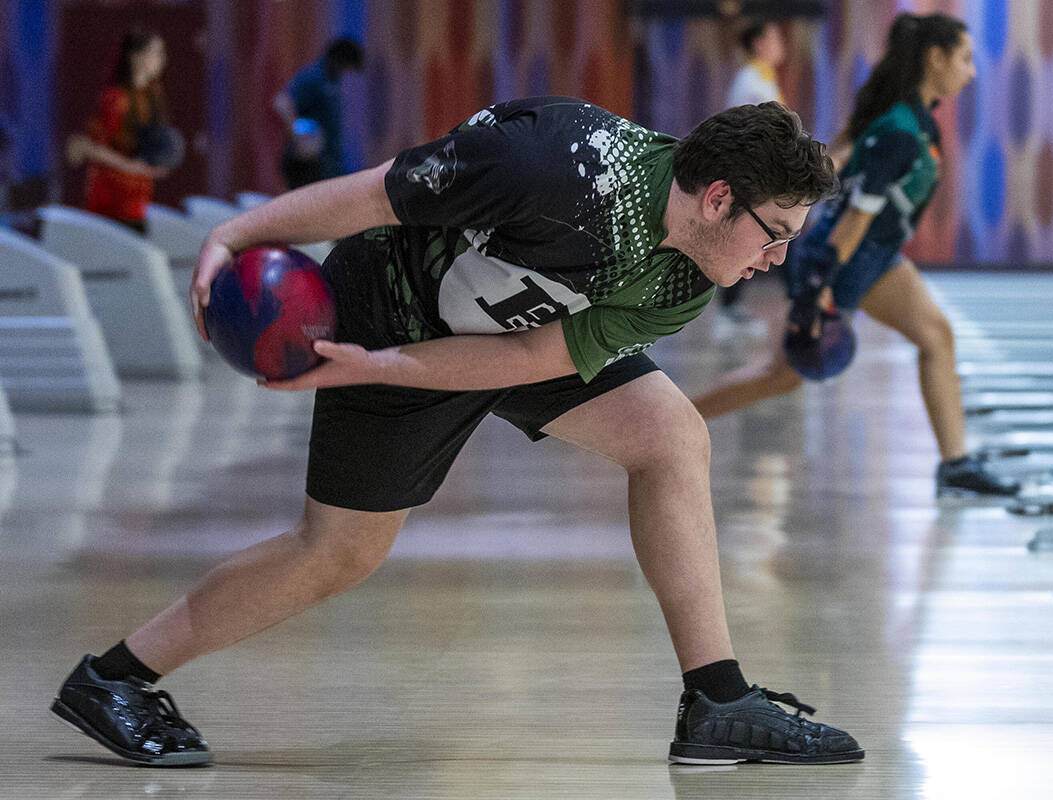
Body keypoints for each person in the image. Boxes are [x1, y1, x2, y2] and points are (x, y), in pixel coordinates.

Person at [50, 96, 866, 767]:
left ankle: (717, 700)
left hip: (510, 334)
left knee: (671, 438)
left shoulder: (686, 273)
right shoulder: (553, 166)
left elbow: (532, 354)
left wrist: (395, 372)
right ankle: (113, 678)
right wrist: (238, 237)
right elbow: (375, 194)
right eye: (776, 234)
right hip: (382, 311)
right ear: (719, 197)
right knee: (336, 554)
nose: (778, 258)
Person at [692, 13, 1019, 499]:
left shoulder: (906, 117)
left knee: (934, 337)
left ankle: (956, 464)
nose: (971, 72)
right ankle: (673, 418)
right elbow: (855, 219)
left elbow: (836, 160)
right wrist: (816, 287)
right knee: (780, 377)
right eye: (965, 59)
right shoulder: (901, 131)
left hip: (877, 255)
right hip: (851, 258)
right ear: (936, 58)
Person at [712, 19, 787, 341]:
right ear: (758, 43)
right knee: (751, 236)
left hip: (762, 173)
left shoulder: (765, 79)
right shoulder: (750, 81)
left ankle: (732, 305)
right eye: (774, 37)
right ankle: (730, 306)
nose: (780, 44)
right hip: (751, 173)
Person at [65, 29, 178, 233]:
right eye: (156, 53)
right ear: (135, 56)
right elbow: (90, 148)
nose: (161, 60)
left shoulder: (152, 95)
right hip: (111, 201)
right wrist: (131, 166)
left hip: (137, 200)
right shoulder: (116, 99)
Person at [273, 36, 365, 190]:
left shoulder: (332, 80)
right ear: (339, 59)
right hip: (309, 164)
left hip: (328, 162)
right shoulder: (314, 77)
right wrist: (300, 138)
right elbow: (282, 103)